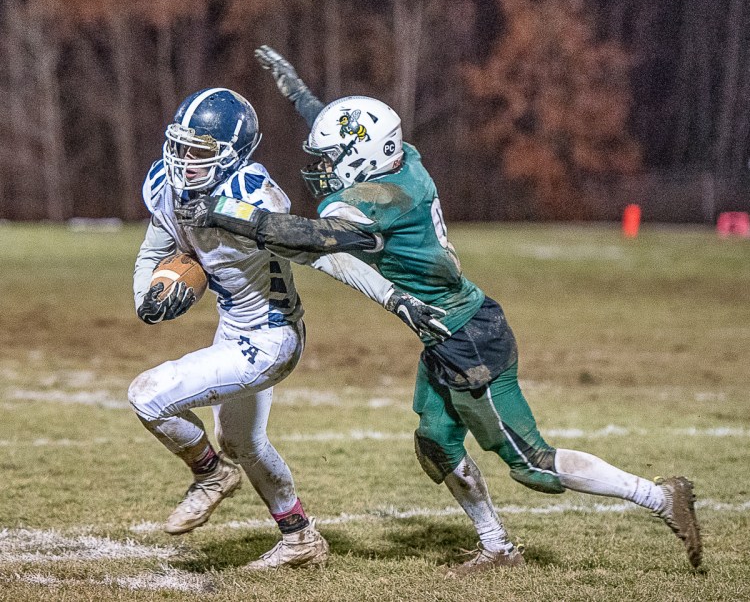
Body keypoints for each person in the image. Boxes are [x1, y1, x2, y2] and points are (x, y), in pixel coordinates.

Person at [176, 49, 703, 575]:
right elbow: (349, 134)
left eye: (331, 159)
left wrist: (227, 218)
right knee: (435, 442)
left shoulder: (382, 200)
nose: (324, 170)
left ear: (362, 158)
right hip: (446, 332)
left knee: (532, 464)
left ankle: (660, 496)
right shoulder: (400, 158)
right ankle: (497, 548)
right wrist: (300, 94)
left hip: (468, 338)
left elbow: (312, 238)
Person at [128, 86, 449, 570]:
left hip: (272, 337)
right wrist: (146, 299)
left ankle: (211, 475)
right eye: (178, 145)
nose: (183, 160)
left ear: (231, 156)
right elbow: (155, 248)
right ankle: (300, 538)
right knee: (243, 441)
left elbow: (327, 257)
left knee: (148, 395)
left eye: (199, 151)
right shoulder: (167, 185)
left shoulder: (253, 197)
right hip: (232, 327)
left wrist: (393, 296)